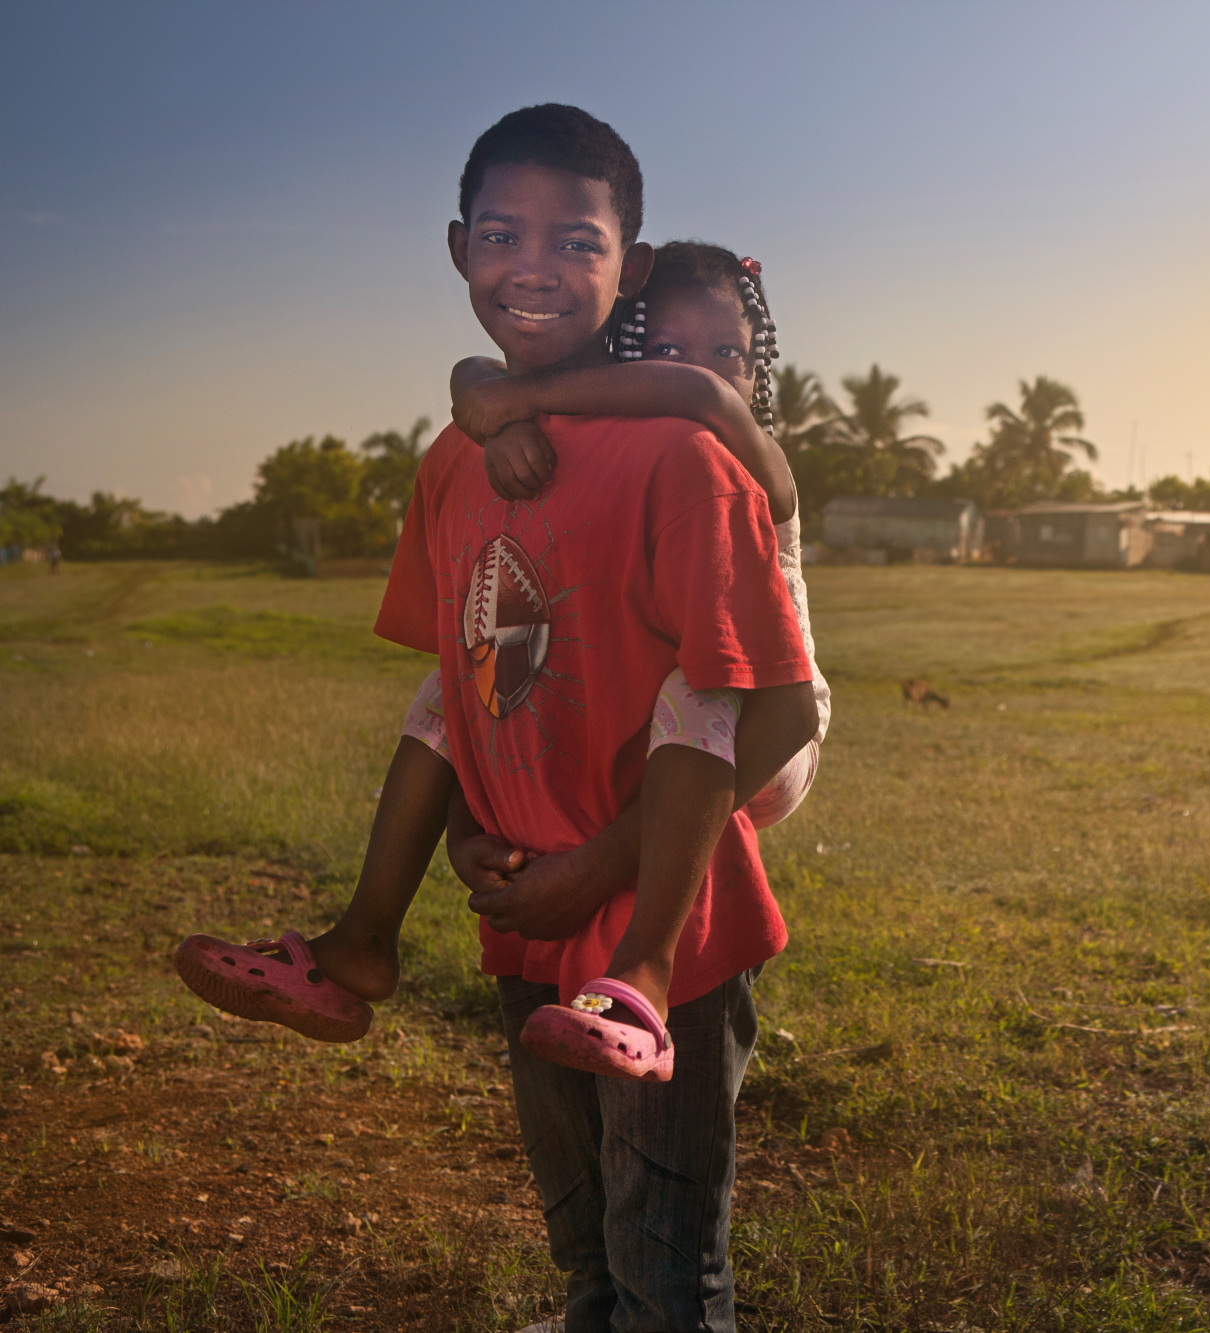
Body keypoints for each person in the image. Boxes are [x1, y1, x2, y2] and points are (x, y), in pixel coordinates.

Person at [179, 104, 816, 1331]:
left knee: (666, 1276)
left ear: (621, 267)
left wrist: (594, 877)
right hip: (522, 908)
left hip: (659, 936)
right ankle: (360, 938)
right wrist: (478, 828)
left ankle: (618, 971)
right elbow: (481, 678)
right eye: (503, 233)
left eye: (576, 241)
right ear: (458, 244)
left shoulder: (693, 457)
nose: (533, 265)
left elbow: (776, 711)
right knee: (585, 1252)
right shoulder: (452, 461)